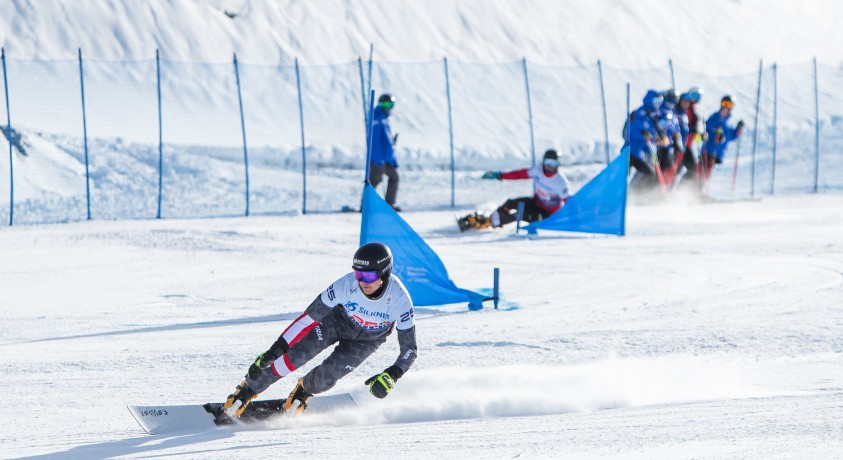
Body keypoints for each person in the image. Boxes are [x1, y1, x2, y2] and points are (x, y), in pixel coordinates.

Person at [222, 242, 417, 417]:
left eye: (368, 275)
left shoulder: (400, 299)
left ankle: (302, 391)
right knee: (296, 355)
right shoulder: (345, 285)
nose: (362, 281)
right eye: (358, 273)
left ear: (384, 273)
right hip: (337, 322)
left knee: (328, 377)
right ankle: (248, 389)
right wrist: (274, 350)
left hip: (368, 339)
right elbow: (306, 320)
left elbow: (409, 349)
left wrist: (392, 374)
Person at [458, 149, 571, 231]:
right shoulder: (538, 170)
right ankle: (488, 220)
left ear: (558, 164)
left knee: (520, 214)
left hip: (548, 216)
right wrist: (500, 175)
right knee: (510, 203)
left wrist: (571, 220)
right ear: (544, 161)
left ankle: (488, 223)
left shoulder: (561, 182)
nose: (550, 166)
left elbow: (569, 203)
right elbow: (520, 174)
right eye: (548, 163)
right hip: (536, 203)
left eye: (553, 163)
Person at [622, 89, 665, 194]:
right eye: (656, 102)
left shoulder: (654, 115)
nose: (657, 105)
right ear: (649, 101)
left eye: (660, 102)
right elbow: (633, 130)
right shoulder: (639, 113)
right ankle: (616, 196)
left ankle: (637, 195)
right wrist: (644, 133)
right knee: (623, 176)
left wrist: (657, 138)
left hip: (640, 154)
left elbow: (653, 134)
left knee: (650, 174)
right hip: (630, 151)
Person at [701, 95, 744, 183]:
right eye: (724, 104)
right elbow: (708, 125)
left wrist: (738, 129)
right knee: (703, 172)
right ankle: (695, 191)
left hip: (718, 153)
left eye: (729, 105)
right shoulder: (715, 116)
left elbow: (731, 136)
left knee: (707, 174)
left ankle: (699, 191)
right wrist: (719, 117)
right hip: (709, 150)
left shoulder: (728, 122)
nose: (726, 107)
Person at [369, 94, 401, 211]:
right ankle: (366, 205)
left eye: (391, 104)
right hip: (379, 159)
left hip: (386, 159)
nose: (389, 107)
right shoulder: (377, 118)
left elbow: (386, 141)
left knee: (394, 177)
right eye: (387, 104)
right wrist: (378, 160)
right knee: (374, 181)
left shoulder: (383, 118)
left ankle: (389, 204)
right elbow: (375, 141)